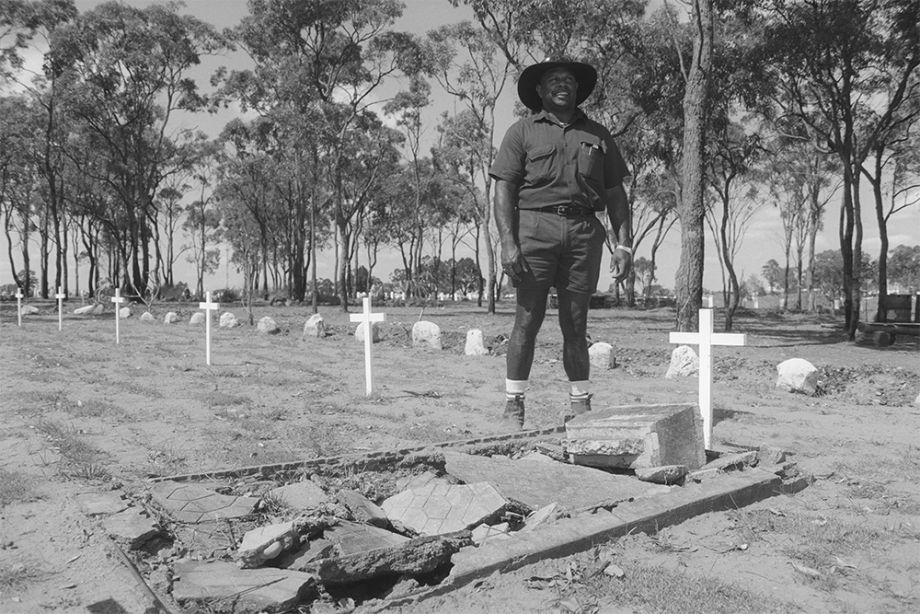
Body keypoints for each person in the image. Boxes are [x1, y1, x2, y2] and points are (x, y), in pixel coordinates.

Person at [489, 59, 632, 429]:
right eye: (553, 80)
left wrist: (624, 245)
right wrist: (508, 243)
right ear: (540, 90)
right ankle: (513, 404)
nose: (562, 85)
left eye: (568, 80)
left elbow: (616, 194)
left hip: (584, 232)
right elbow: (504, 188)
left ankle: (580, 405)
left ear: (577, 89)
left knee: (575, 322)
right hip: (534, 229)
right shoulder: (521, 132)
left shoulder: (598, 135)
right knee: (527, 319)